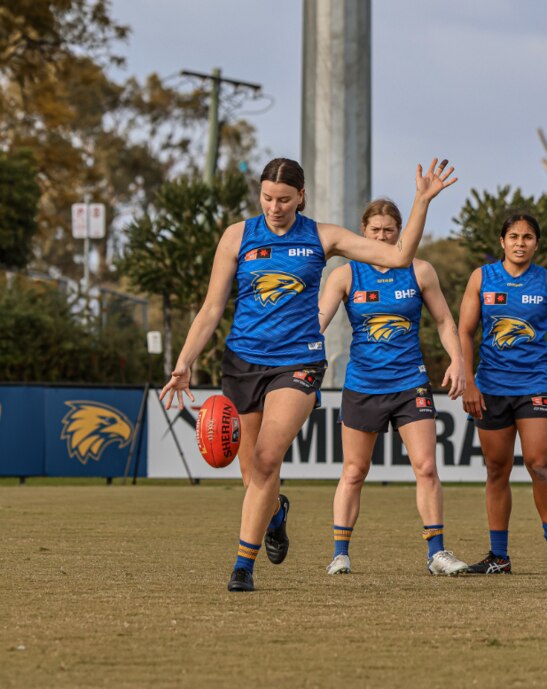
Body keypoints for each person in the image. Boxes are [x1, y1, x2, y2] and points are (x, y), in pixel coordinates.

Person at [160, 157, 457, 592]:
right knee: (253, 479)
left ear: (301, 196)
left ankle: (243, 566)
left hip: (297, 361)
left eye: (283, 199)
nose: (274, 207)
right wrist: (184, 362)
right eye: (266, 198)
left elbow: (398, 256)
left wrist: (421, 200)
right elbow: (211, 309)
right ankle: (276, 513)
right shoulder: (237, 236)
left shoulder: (323, 236)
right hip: (242, 363)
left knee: (266, 460)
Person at [319, 198, 468, 577]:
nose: (382, 236)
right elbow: (315, 323)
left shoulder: (420, 271)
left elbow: (445, 321)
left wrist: (458, 360)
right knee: (354, 471)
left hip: (410, 384)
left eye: (389, 230)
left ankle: (436, 553)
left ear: (399, 231)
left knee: (426, 467)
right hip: (363, 384)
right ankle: (340, 554)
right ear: (363, 232)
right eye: (375, 230)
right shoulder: (345, 275)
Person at [459, 214, 546, 574]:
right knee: (497, 470)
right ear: (502, 241)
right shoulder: (482, 277)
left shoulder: (544, 281)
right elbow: (464, 332)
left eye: (527, 237)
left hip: (536, 385)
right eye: (514, 236)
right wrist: (469, 382)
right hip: (490, 388)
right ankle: (499, 556)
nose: (520, 243)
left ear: (536, 243)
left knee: (540, 465)